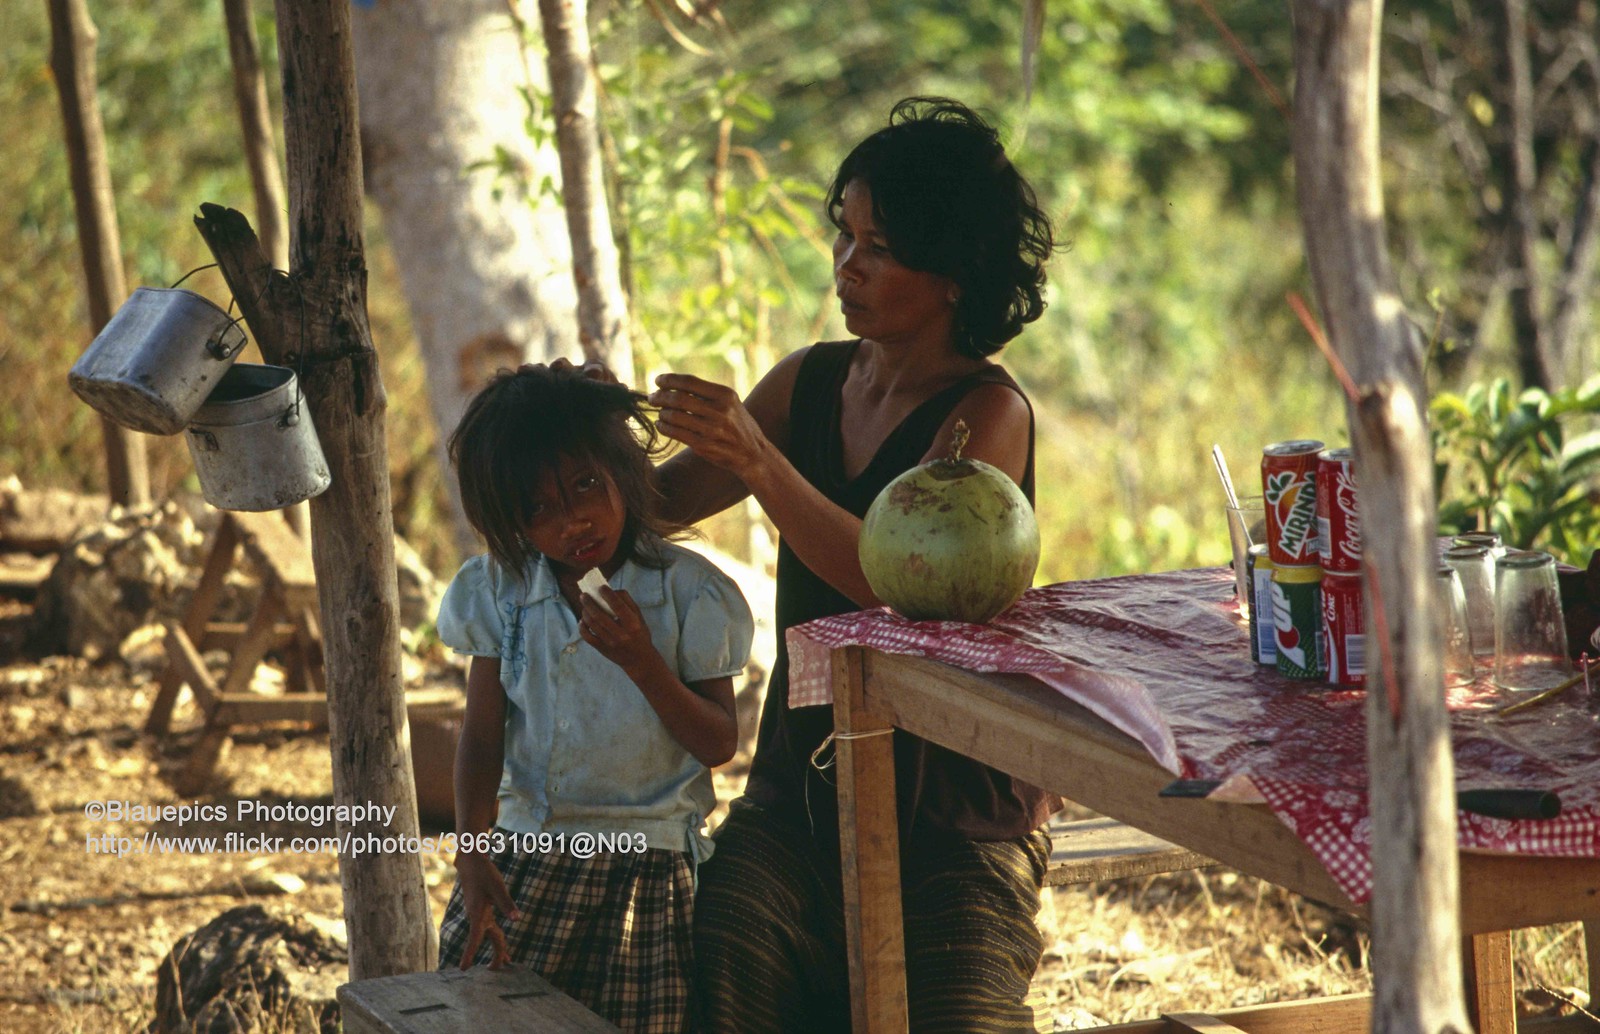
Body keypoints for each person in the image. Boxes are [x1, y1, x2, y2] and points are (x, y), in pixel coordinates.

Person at [648, 97, 1063, 1031]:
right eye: (845, 237)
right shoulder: (812, 380)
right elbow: (663, 504)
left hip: (955, 813)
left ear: (953, 273)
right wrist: (582, 436)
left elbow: (901, 581)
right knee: (726, 972)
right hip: (801, 794)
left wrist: (759, 461)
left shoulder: (986, 417)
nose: (847, 265)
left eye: (879, 247)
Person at [433, 364, 754, 1033]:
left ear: (623, 473)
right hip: (527, 857)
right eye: (539, 510)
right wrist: (471, 849)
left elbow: (718, 743)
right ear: (510, 521)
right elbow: (483, 738)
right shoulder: (501, 591)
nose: (574, 519)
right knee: (488, 1016)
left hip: (647, 874)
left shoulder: (688, 593)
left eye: (585, 485)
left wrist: (645, 664)